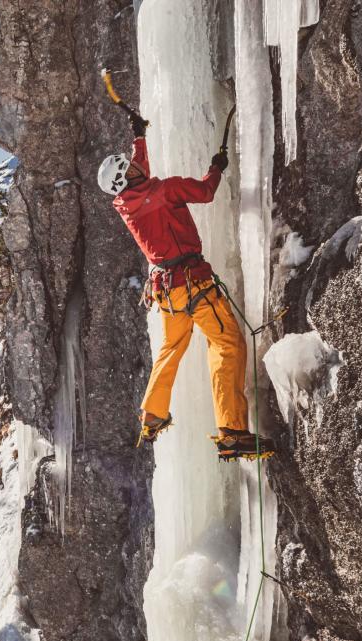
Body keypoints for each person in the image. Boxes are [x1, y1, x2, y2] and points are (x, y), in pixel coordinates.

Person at [97, 104, 274, 459]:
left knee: (172, 347)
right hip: (193, 284)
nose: (134, 165)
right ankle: (232, 431)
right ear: (126, 176)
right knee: (227, 344)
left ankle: (153, 413)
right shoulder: (164, 191)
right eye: (130, 165)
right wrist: (216, 168)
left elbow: (138, 173)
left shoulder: (126, 203)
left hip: (167, 292)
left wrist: (140, 137)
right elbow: (206, 191)